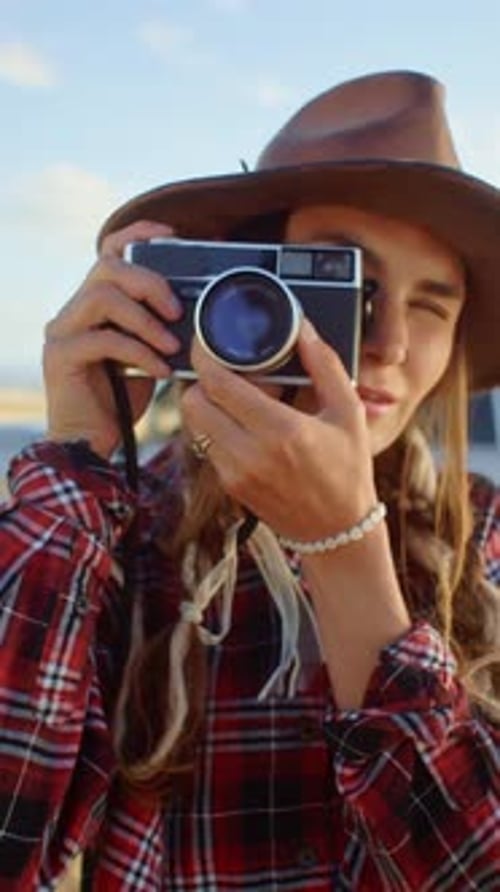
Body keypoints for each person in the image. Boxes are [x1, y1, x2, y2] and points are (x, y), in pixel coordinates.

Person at [0, 69, 499, 891]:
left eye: (432, 305)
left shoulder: (484, 542)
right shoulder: (116, 529)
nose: (390, 344)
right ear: (242, 286)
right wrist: (79, 458)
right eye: (350, 283)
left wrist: (345, 551)